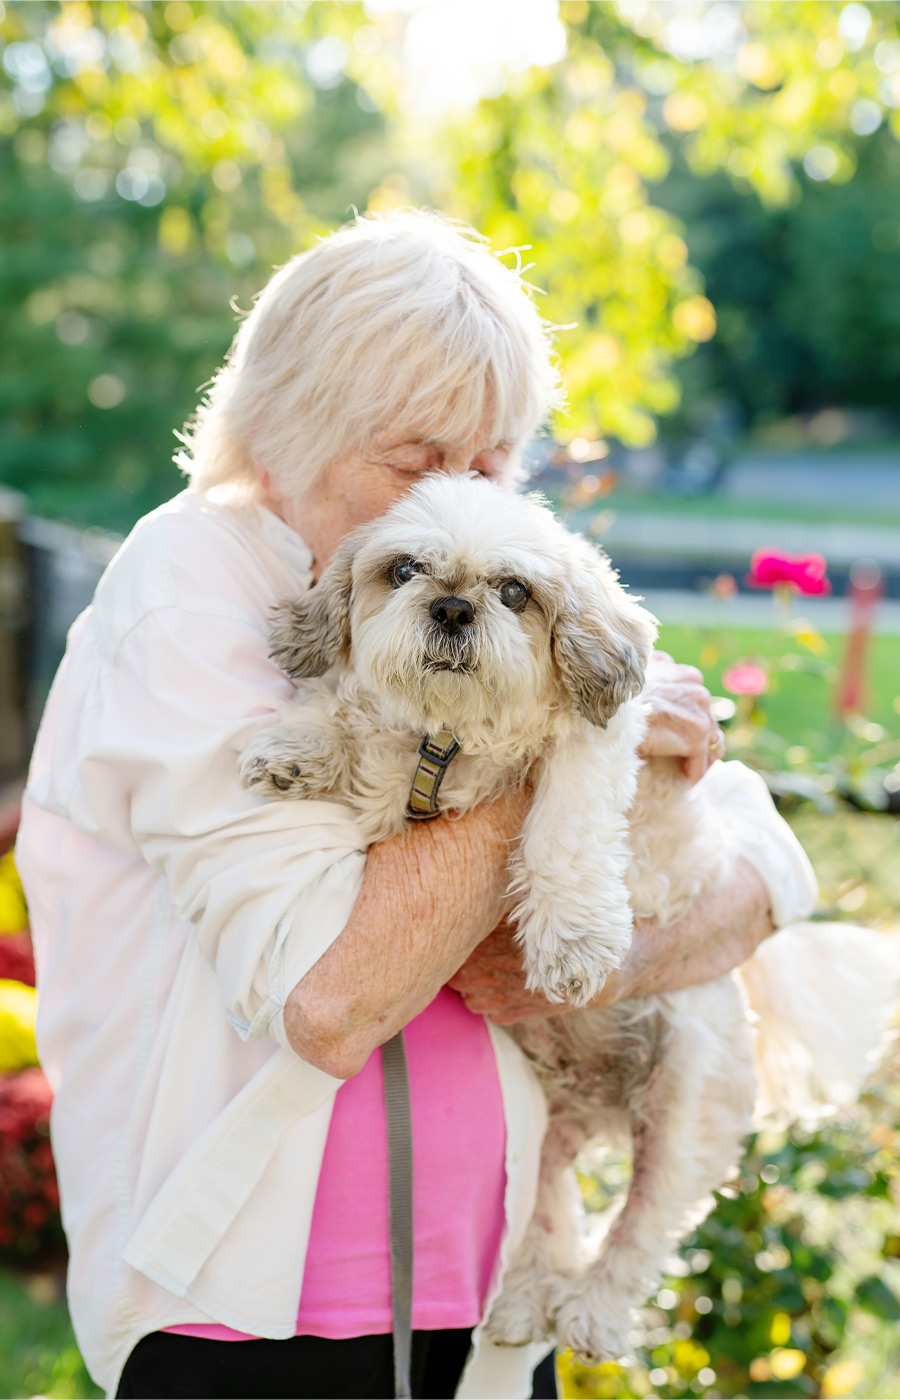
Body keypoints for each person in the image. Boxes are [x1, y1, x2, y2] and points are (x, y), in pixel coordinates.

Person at [16, 210, 816, 1400]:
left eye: (492, 459)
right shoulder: (188, 596)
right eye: (417, 455)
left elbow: (756, 859)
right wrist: (570, 735)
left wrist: (640, 934)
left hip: (484, 1309)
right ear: (293, 430)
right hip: (256, 1329)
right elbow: (332, 995)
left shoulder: (468, 559)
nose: (460, 491)